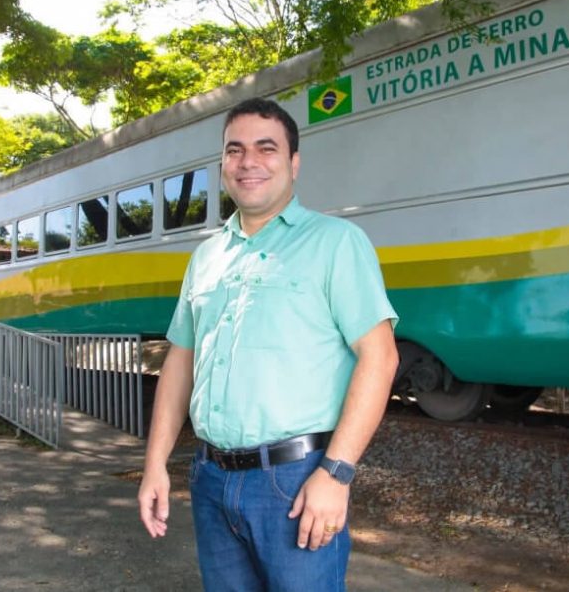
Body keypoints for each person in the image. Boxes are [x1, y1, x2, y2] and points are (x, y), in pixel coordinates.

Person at [138, 97, 399, 591]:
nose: (248, 162)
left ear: (293, 163)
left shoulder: (336, 243)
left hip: (295, 482)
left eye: (266, 148)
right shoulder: (207, 256)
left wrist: (336, 473)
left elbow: (380, 356)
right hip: (211, 478)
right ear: (222, 166)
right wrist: (156, 466)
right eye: (234, 150)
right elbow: (181, 360)